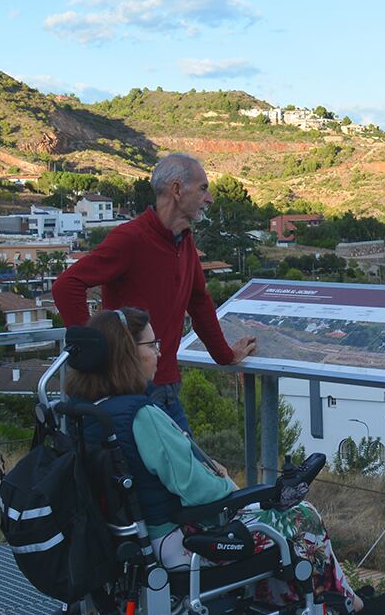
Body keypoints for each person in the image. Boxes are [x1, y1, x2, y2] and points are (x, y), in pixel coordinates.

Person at [61, 307, 385, 615]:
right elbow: (198, 490)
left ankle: (330, 598)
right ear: (126, 356)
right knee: (301, 517)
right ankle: (348, 607)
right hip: (178, 543)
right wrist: (232, 487)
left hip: (129, 540)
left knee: (279, 520)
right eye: (152, 344)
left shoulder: (84, 411)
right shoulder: (141, 415)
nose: (159, 351)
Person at [52, 152, 257, 433]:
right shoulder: (130, 238)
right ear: (176, 190)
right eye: (203, 189)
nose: (209, 199)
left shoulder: (184, 242)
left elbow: (199, 302)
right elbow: (66, 287)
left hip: (166, 386)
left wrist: (224, 355)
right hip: (127, 391)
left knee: (185, 470)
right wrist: (95, 354)